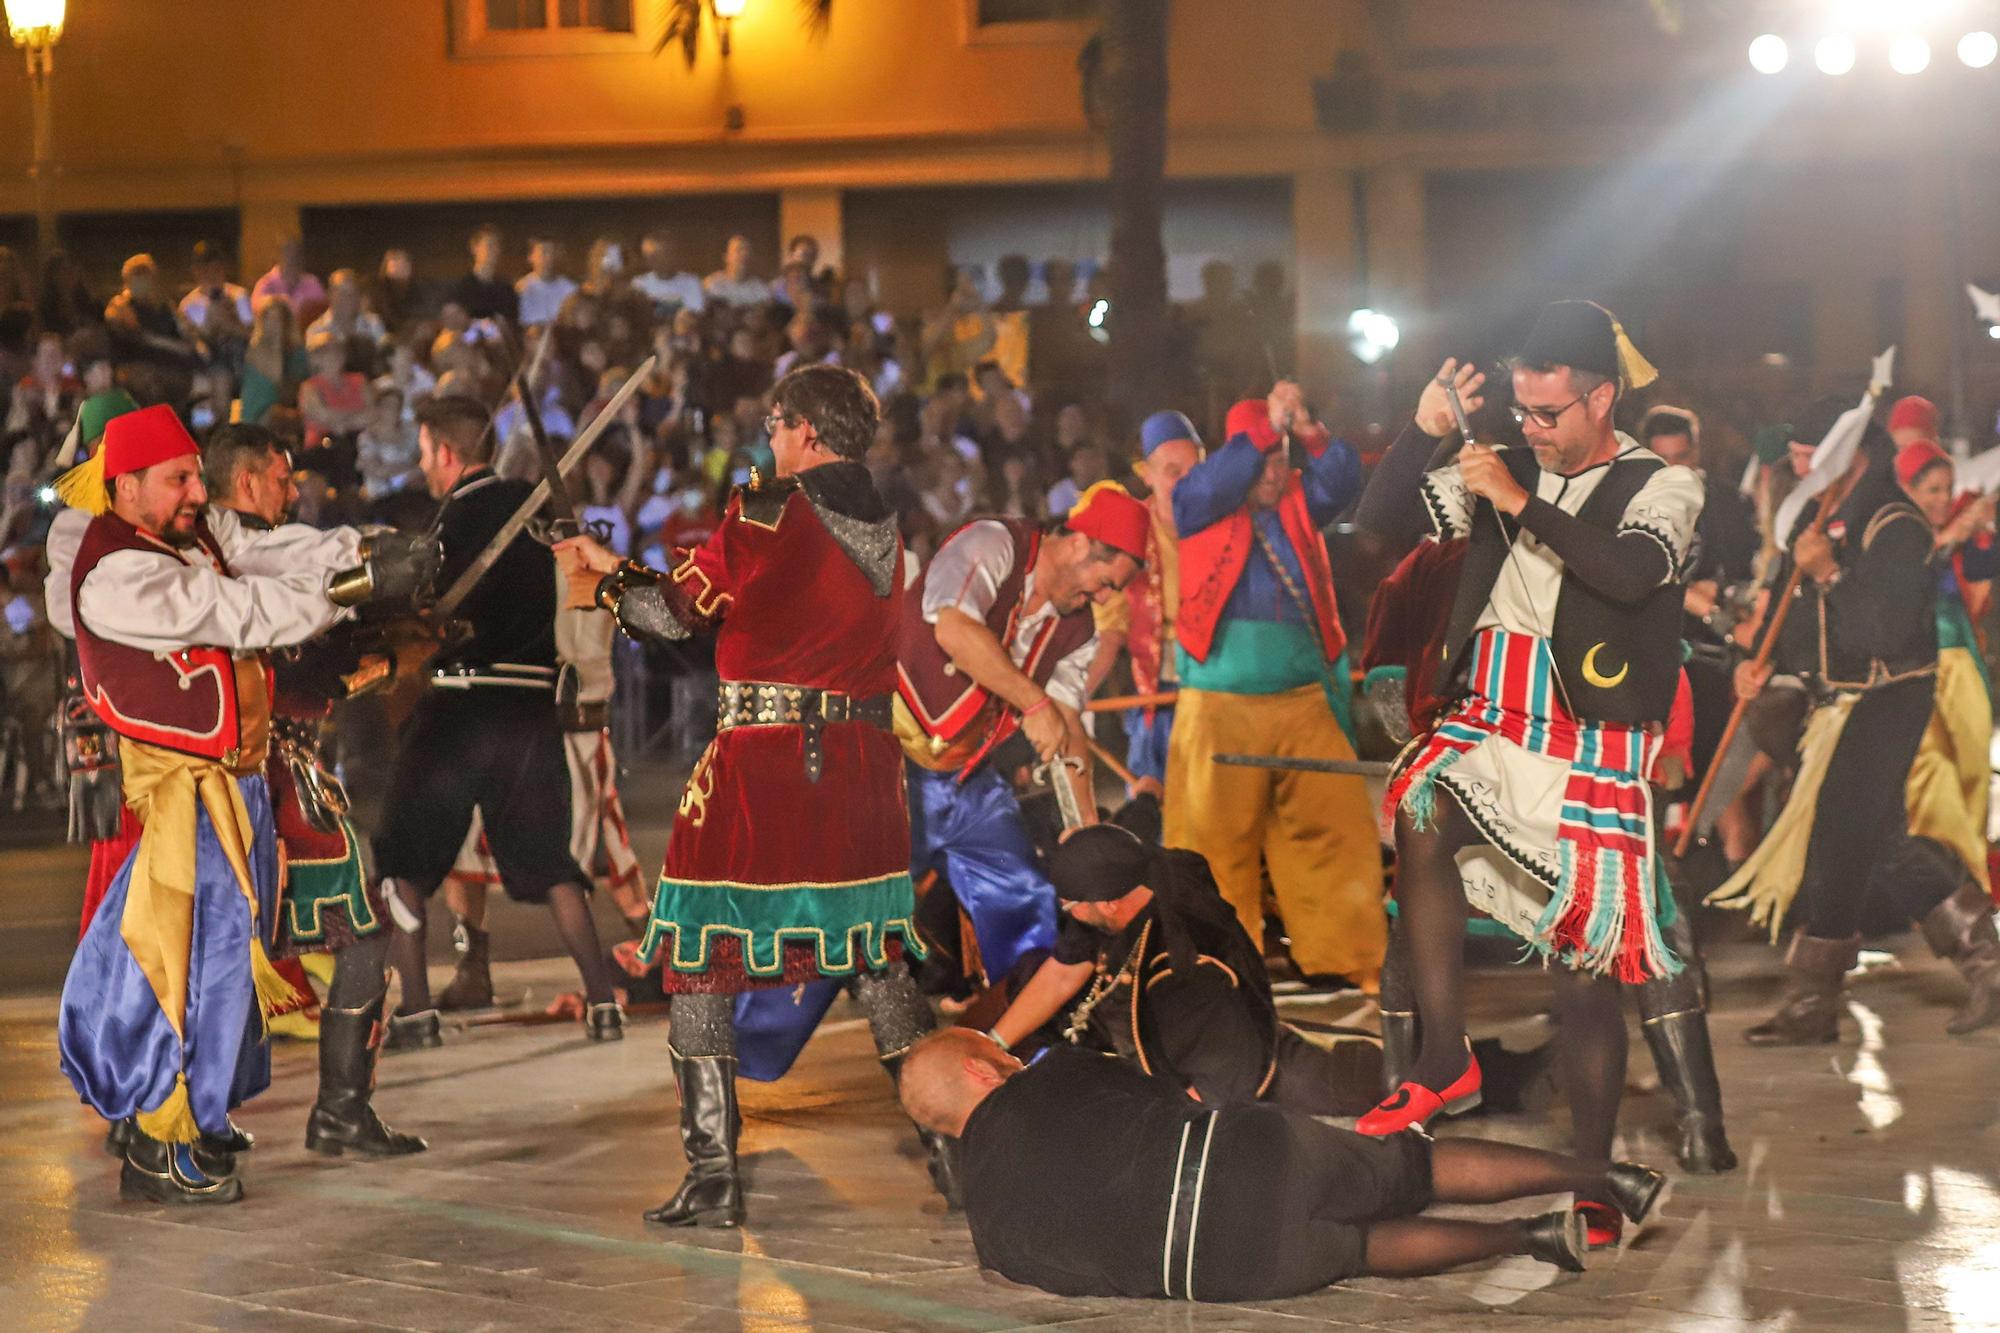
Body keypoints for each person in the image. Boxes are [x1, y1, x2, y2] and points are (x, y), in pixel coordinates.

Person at [555, 364, 948, 1228]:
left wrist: (609, 580)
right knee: (878, 962)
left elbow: (674, 615)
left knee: (699, 959)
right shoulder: (886, 524)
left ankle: (712, 1174)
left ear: (808, 431)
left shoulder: (771, 507)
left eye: (777, 424)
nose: (769, 439)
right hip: (861, 777)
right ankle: (955, 1155)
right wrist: (624, 567)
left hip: (767, 770)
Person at [1354, 303, 1702, 1249]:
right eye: (1523, 408)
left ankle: (1592, 1175)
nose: (1535, 428)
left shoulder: (1662, 483)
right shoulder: (1508, 463)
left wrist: (1517, 498)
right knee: (1423, 800)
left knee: (1584, 984)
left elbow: (1630, 575)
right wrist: (1423, 431)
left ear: (1603, 394)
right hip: (1493, 716)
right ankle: (1444, 1054)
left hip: (1589, 743)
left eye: (1551, 412)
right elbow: (1374, 525)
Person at [54, 405, 429, 1203]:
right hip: (186, 798)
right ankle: (161, 1141)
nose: (199, 492)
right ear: (124, 487)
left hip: (234, 787)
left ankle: (202, 1116)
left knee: (221, 966)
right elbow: (237, 610)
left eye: (196, 474)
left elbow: (264, 549)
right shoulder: (120, 571)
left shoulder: (187, 536)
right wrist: (352, 584)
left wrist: (361, 550)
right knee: (182, 968)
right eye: (180, 479)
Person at [899, 1029, 1668, 1300]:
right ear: (980, 1070)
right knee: (1412, 1170)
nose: (1009, 1053)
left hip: (1225, 1267)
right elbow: (1164, 1097)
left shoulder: (991, 1235)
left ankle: (1530, 1239)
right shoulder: (1053, 1072)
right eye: (994, 1048)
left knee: (1363, 1249)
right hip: (1245, 1162)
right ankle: (1604, 1181)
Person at [1715, 407, 2000, 1041]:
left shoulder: (1893, 522)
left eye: (1807, 454)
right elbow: (1793, 615)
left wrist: (1830, 572)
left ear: (1850, 453)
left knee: (1842, 841)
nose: (1796, 468)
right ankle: (1985, 959)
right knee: (1881, 845)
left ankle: (1815, 1002)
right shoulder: (1818, 512)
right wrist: (1754, 661)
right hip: (1840, 704)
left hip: (1889, 700)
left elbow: (1883, 631)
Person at [201, 423, 430, 1160]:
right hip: (246, 781)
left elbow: (314, 657)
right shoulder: (223, 558)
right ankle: (167, 1112)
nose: (292, 491)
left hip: (296, 779)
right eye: (280, 477)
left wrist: (387, 641)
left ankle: (341, 1109)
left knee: (360, 931)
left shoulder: (268, 550)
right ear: (245, 484)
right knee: (219, 949)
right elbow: (288, 674)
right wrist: (376, 662)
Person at [370, 395, 621, 1049]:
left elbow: (420, 619)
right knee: (553, 862)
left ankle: (417, 1011)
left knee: (402, 859)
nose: (423, 465)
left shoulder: (449, 525)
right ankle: (602, 1002)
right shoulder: (535, 517)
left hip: (460, 704)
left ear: (446, 453)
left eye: (425, 451)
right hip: (532, 709)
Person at [1164, 381, 1383, 991]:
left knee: (1337, 831)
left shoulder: (1295, 500)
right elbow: (1205, 484)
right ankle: (1223, 971)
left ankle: (1349, 956)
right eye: (1260, 459)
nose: (1271, 470)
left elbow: (1341, 480)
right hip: (1219, 706)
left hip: (1302, 701)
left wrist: (1306, 427)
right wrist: (1265, 432)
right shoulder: (1200, 501)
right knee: (1212, 849)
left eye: (1280, 459)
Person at [892, 483, 1147, 992]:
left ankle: (1029, 1042)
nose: (1102, 598)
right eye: (1105, 581)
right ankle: (733, 1012)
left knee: (1027, 893)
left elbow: (1068, 726)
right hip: (884, 766)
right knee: (846, 905)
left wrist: (1086, 831)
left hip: (966, 781)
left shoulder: (1079, 629)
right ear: (1079, 542)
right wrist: (1033, 703)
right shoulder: (992, 543)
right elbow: (955, 629)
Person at [987, 824, 1381, 1113]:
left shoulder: (1182, 966)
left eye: (1071, 905)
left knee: (1365, 1079)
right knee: (1028, 973)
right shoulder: (1138, 880)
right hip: (1179, 1047)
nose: (1066, 912)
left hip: (1245, 1070)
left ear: (1107, 904)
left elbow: (1220, 1082)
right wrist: (992, 1044)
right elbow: (1061, 972)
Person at [1895, 441, 1997, 915]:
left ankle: (1972, 872)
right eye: (1931, 488)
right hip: (1918, 667)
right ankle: (1945, 885)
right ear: (1908, 489)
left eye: (1947, 488)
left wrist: (1980, 537)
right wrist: (1956, 532)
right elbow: (1915, 575)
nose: (1940, 498)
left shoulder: (1950, 531)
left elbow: (1978, 596)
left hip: (1962, 660)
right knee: (1931, 771)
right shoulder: (1899, 531)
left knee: (1976, 764)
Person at [251, 237, 328, 329]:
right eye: (287, 254)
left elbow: (325, 313)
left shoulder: (313, 283)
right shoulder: (265, 284)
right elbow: (256, 317)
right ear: (279, 256)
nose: (292, 259)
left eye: (296, 254)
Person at [448, 225, 518, 326]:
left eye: (497, 246)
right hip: (470, 337)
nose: (494, 251)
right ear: (474, 248)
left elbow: (512, 322)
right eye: (489, 245)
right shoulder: (462, 288)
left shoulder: (506, 288)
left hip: (500, 338)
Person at [306, 268, 387, 349]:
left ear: (359, 297)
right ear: (330, 295)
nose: (347, 299)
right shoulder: (317, 331)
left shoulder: (374, 324)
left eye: (353, 294)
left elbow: (383, 358)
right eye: (341, 294)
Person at [632, 230, 706, 317]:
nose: (662, 260)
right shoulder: (639, 284)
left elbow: (694, 318)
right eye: (652, 256)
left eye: (665, 254)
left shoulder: (691, 282)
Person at [514, 237, 577, 329]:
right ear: (530, 257)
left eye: (551, 253)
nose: (548, 258)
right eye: (543, 252)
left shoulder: (570, 290)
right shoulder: (520, 289)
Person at [702, 235, 772, 309]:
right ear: (726, 257)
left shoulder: (760, 290)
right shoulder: (712, 285)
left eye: (747, 251)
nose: (744, 254)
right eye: (738, 250)